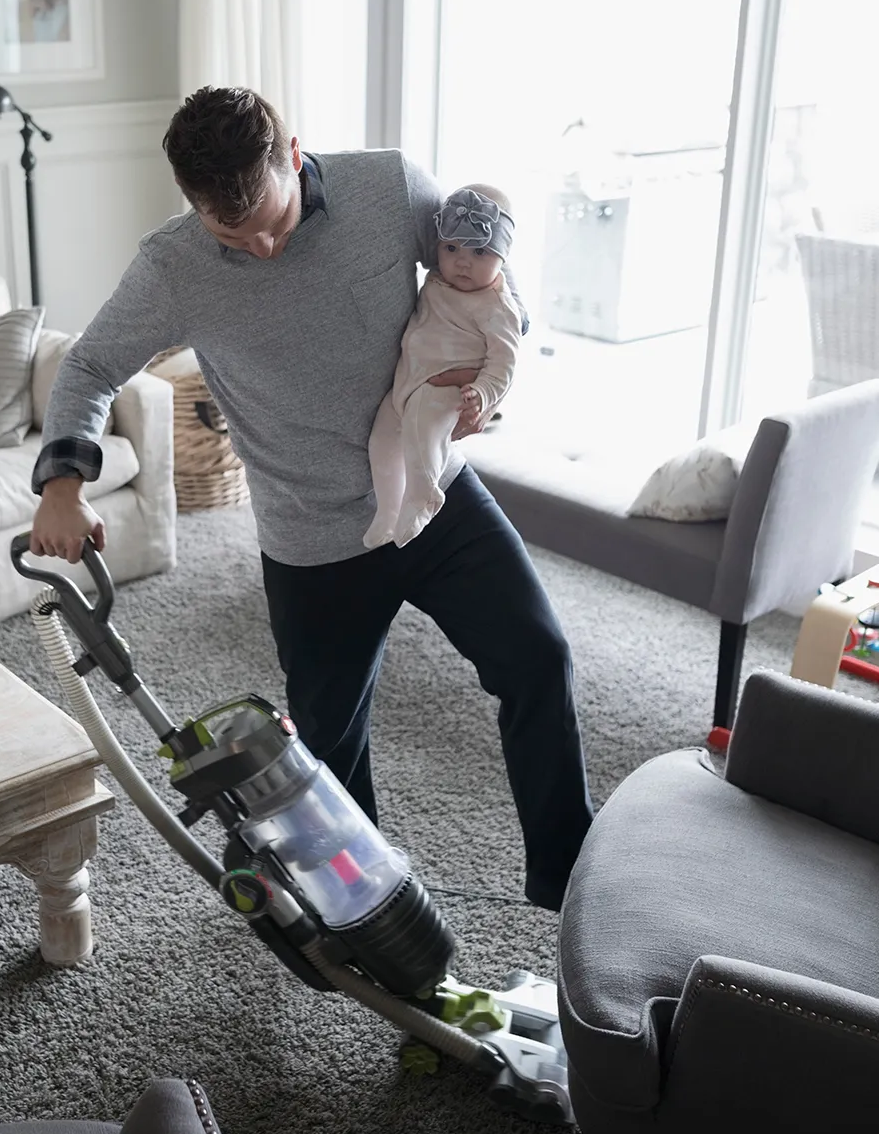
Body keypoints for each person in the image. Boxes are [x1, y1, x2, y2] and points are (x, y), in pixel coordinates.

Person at [29, 86, 595, 909]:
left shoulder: (390, 187)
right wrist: (61, 485)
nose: (260, 246)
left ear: (294, 155)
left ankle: (568, 879)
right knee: (329, 749)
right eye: (233, 232)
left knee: (539, 659)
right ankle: (365, 908)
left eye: (272, 220)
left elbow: (488, 282)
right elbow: (87, 367)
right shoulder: (172, 265)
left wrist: (487, 380)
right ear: (193, 205)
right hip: (313, 538)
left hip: (434, 494)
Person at [364, 184, 523, 549]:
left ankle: (423, 496)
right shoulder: (438, 279)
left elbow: (505, 362)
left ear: (503, 256)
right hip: (409, 379)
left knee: (422, 439)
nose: (462, 261)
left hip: (450, 388)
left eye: (480, 251)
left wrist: (482, 394)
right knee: (383, 439)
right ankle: (388, 511)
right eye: (451, 248)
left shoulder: (497, 307)